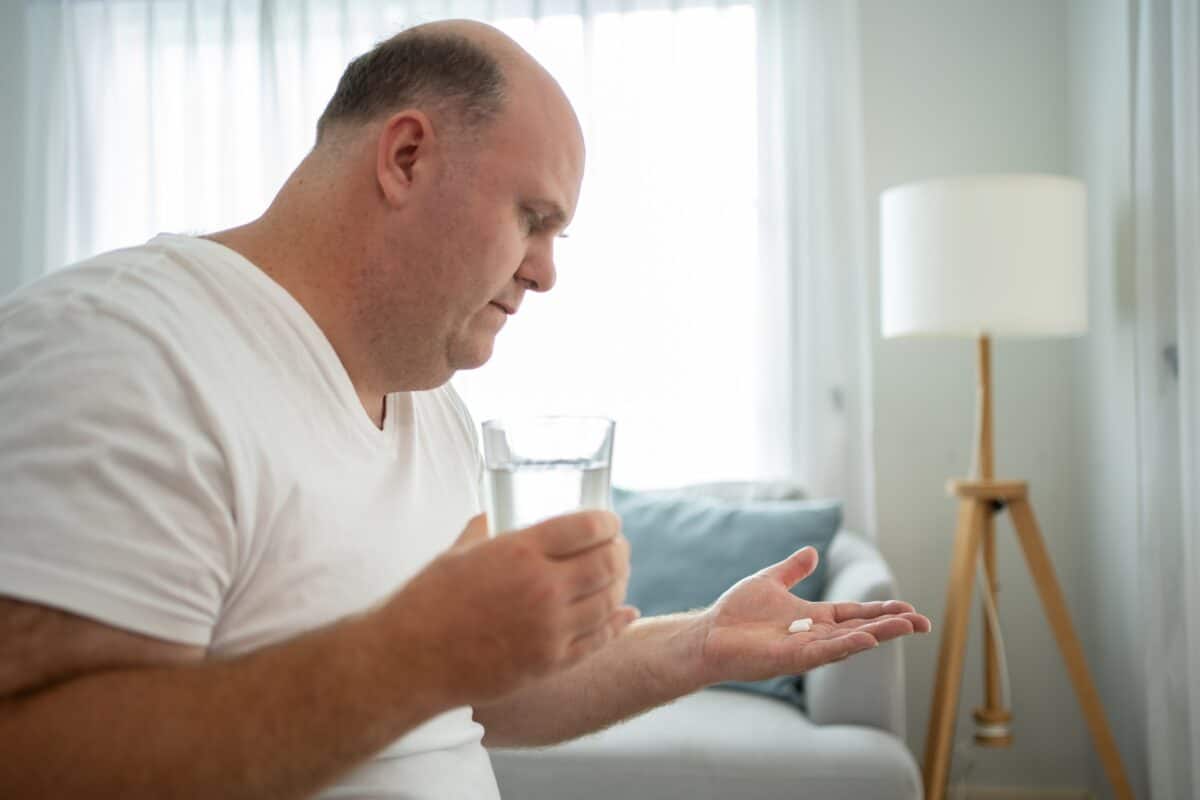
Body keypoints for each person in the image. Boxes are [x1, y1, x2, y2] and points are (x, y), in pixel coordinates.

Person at [0, 19, 930, 799]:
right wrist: (418, 653)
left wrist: (698, 645)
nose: (548, 271)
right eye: (534, 218)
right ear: (406, 157)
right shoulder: (126, 350)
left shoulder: (424, 404)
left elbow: (481, 698)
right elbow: (34, 757)